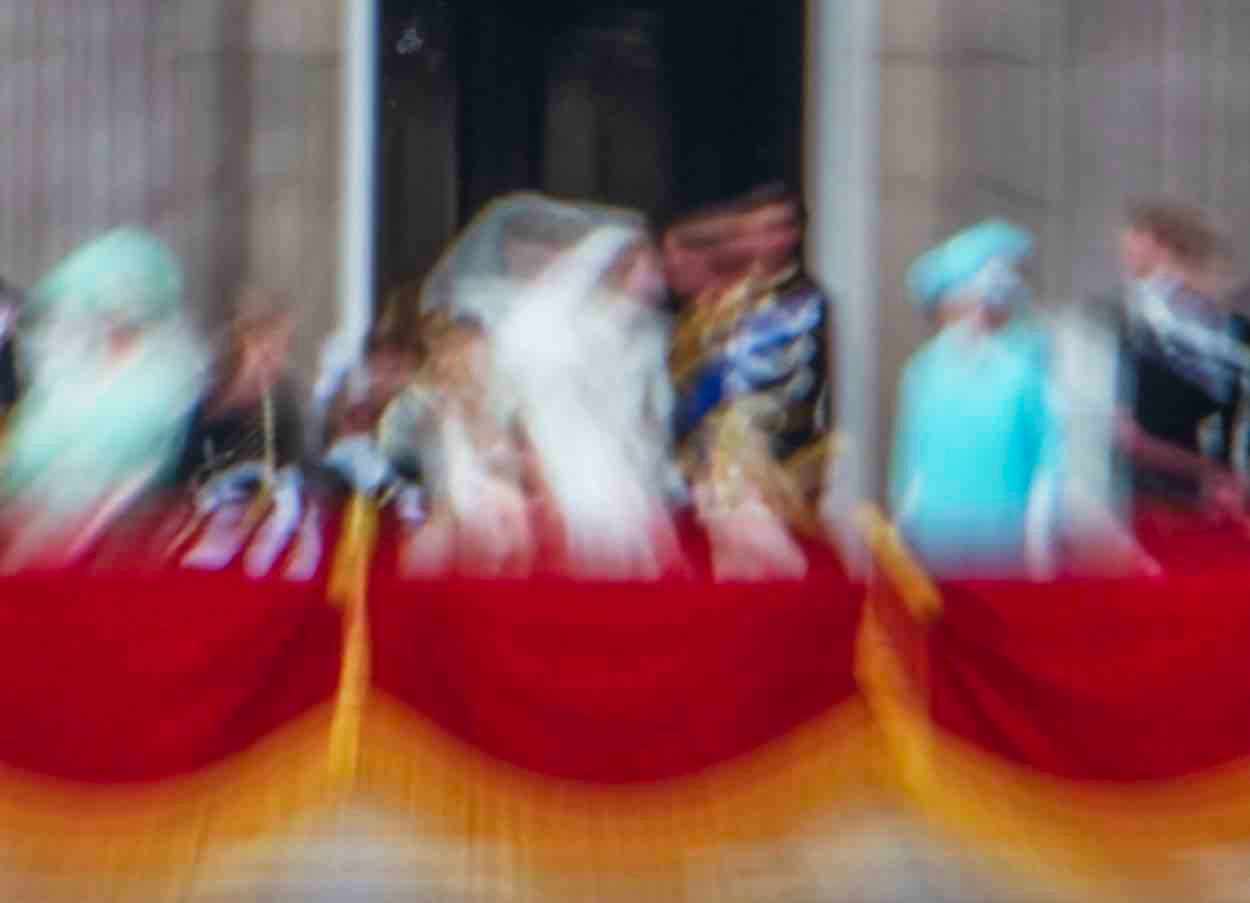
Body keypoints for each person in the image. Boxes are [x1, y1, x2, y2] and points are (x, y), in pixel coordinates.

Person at [0, 228, 208, 563]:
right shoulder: (74, 372)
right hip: (47, 524)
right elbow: (37, 448)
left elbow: (145, 464)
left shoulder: (165, 379)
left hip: (117, 532)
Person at [889, 220, 1063, 578]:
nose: (974, 313)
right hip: (937, 534)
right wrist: (902, 531)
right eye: (961, 303)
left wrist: (1039, 534)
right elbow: (913, 460)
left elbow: (1049, 453)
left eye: (985, 301)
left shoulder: (1026, 362)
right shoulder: (923, 369)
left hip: (1005, 538)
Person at [664, 183, 834, 510]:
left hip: (776, 464)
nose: (769, 240)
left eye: (778, 228)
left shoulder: (803, 303)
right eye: (755, 231)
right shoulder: (723, 302)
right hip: (707, 463)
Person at [1109, 201, 1250, 514]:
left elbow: (1132, 432)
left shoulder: (1154, 320)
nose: (1124, 254)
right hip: (1202, 487)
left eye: (1132, 242)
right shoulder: (1224, 326)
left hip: (1170, 488)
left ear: (1156, 243)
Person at [175, 292, 304, 493]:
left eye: (280, 346)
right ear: (241, 344)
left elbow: (296, 467)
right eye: (261, 342)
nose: (270, 355)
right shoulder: (209, 401)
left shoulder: (285, 406)